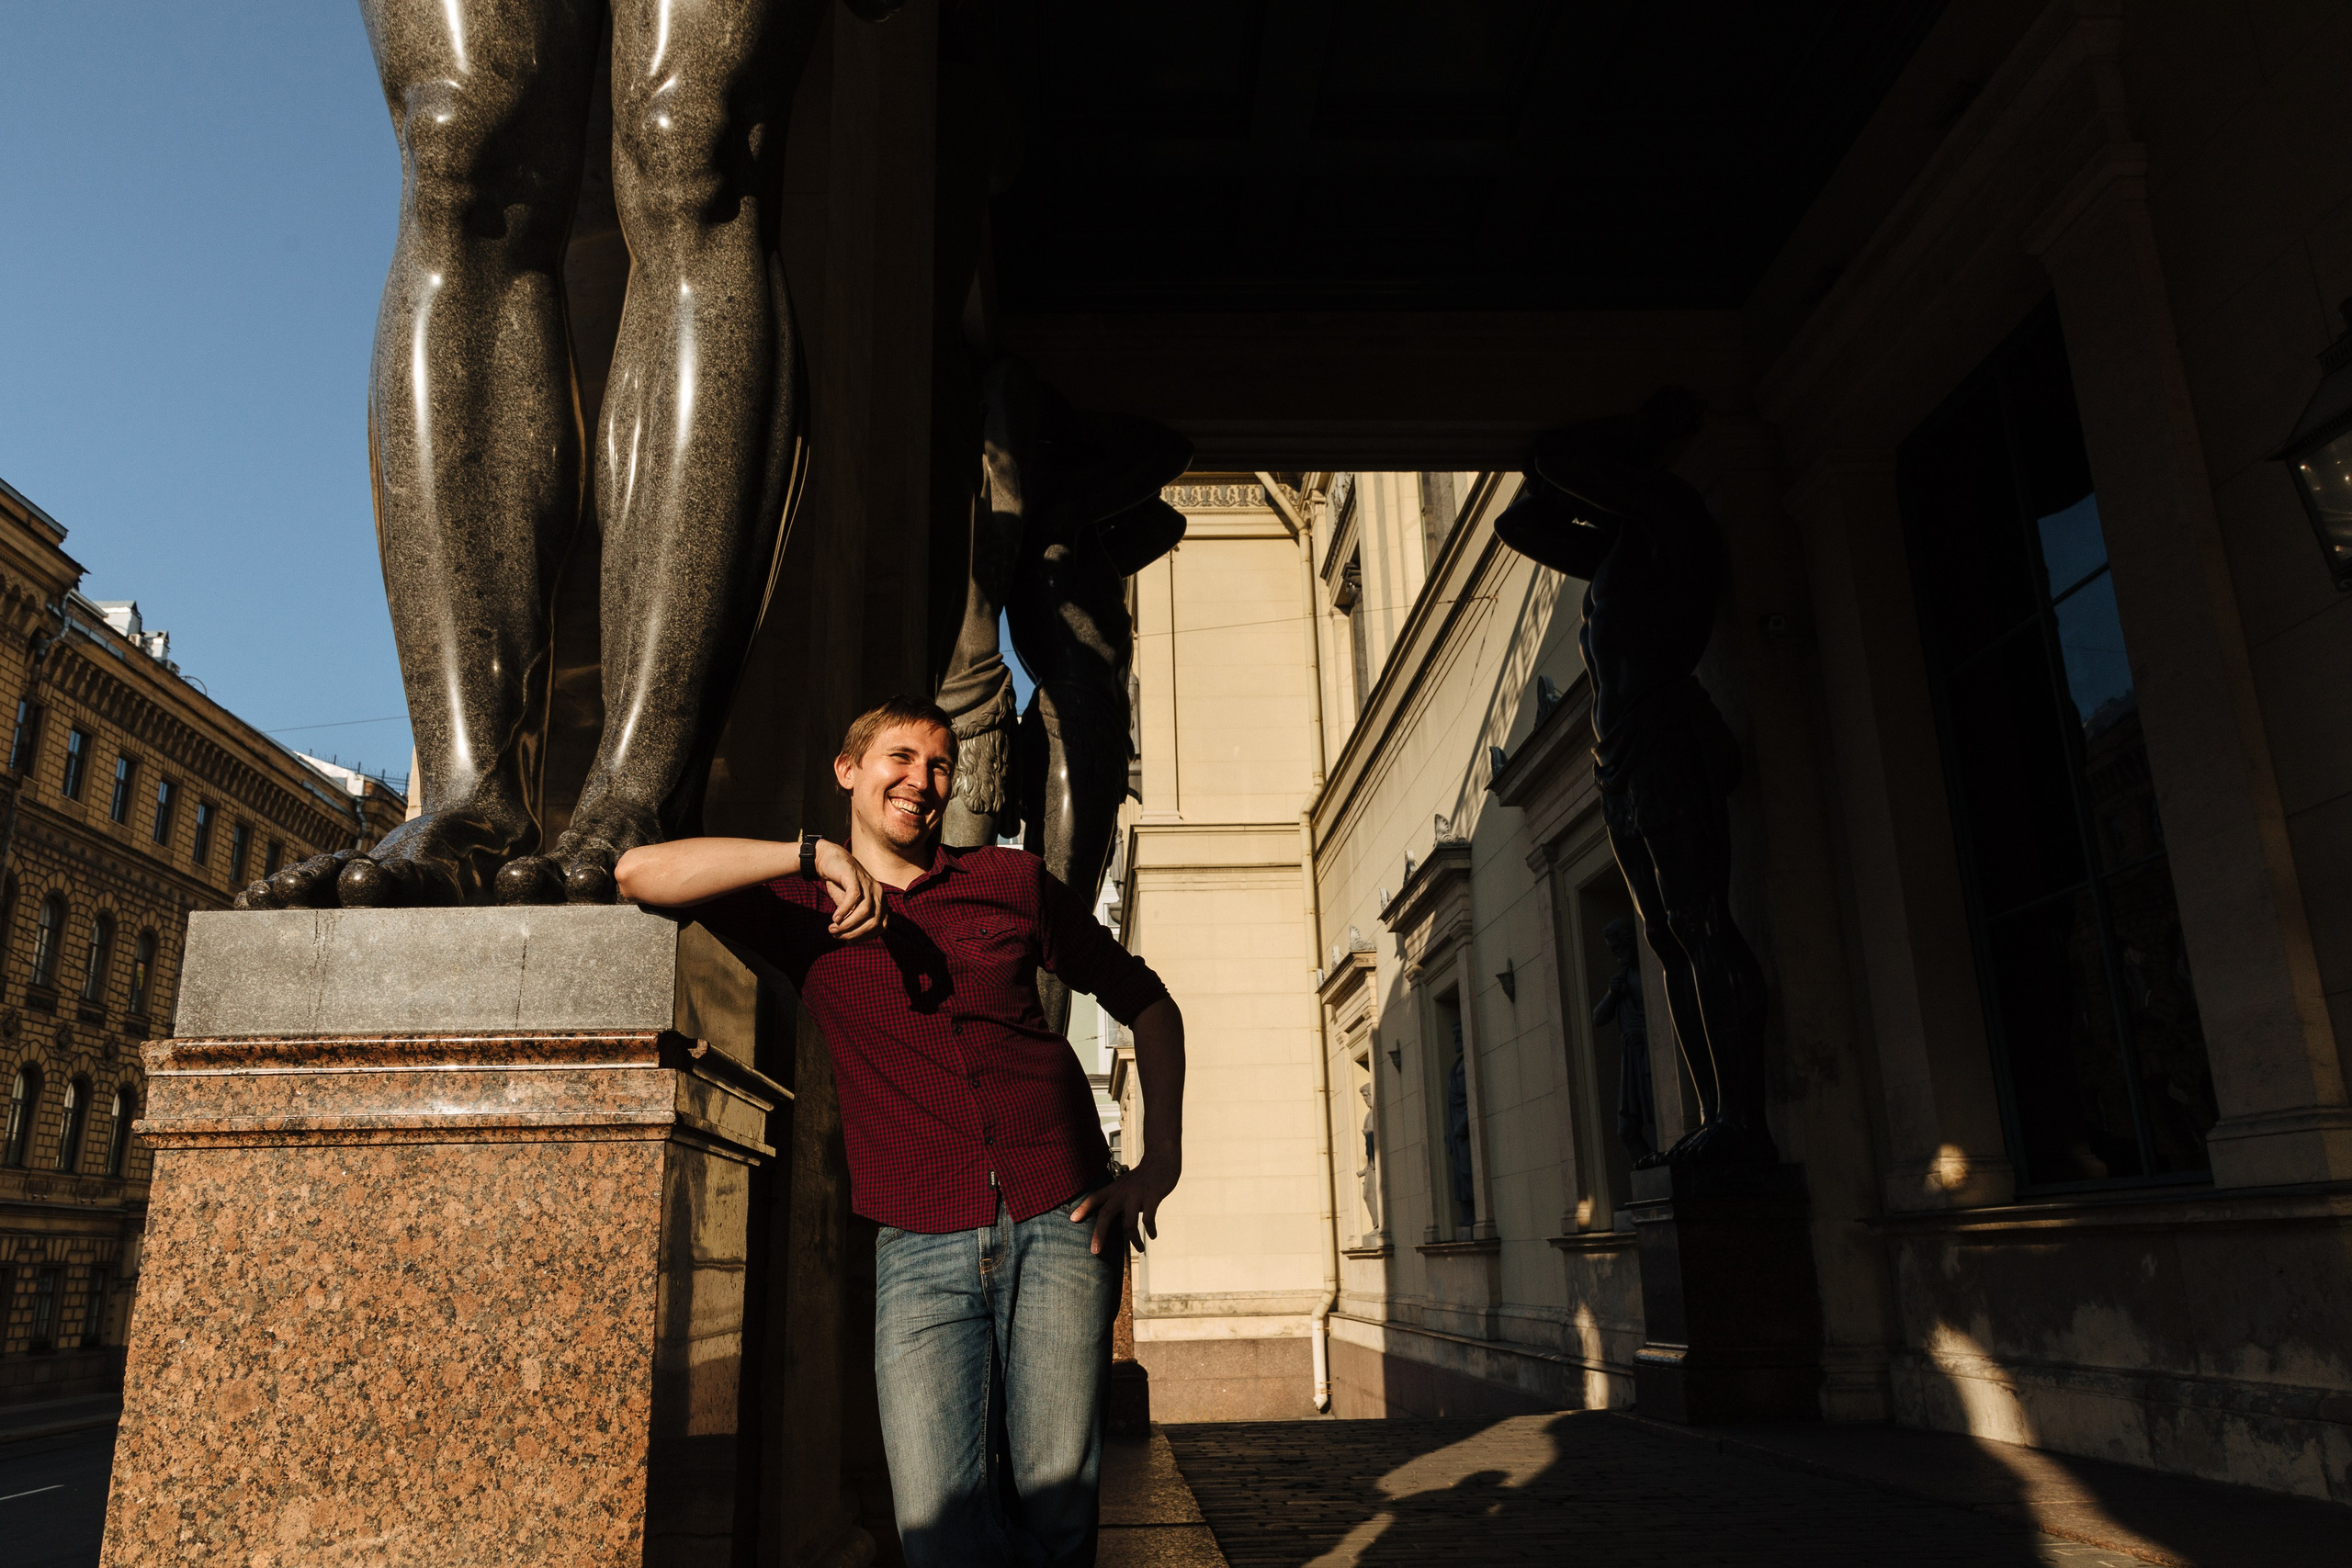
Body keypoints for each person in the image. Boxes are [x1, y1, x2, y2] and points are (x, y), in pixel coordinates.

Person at [614, 694, 1184, 1568]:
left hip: (1065, 1218)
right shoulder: (799, 904)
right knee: (936, 1528)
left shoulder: (1008, 880)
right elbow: (637, 873)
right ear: (849, 770)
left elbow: (1147, 1001)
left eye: (940, 764)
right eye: (900, 757)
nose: (922, 780)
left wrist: (1159, 1163)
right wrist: (811, 853)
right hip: (920, 1241)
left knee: (1059, 1512)